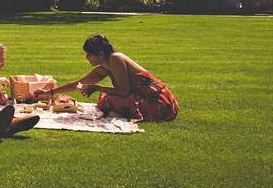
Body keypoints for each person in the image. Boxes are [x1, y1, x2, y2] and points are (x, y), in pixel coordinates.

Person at [36, 34, 178, 122]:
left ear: (101, 54)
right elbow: (78, 83)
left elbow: (124, 92)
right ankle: (122, 113)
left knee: (107, 99)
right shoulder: (105, 67)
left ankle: (127, 114)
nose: (86, 58)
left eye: (89, 54)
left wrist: (97, 88)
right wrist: (49, 93)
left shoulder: (116, 59)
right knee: (104, 100)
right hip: (145, 99)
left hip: (159, 103)